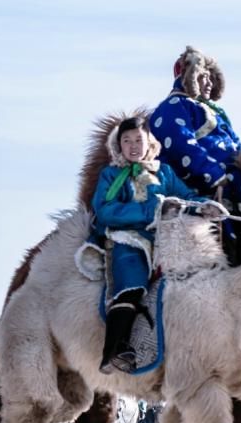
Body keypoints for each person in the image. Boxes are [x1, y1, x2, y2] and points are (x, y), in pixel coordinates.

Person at [90, 115, 224, 373]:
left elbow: (185, 197)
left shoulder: (163, 172)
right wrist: (152, 208)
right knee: (133, 282)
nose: (133, 146)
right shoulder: (112, 175)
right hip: (127, 239)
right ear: (118, 145)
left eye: (138, 140)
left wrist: (203, 208)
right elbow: (105, 210)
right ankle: (114, 349)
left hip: (165, 241)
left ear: (148, 142)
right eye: (126, 141)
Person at [150, 46, 241, 215]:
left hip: (233, 185)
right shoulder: (173, 106)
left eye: (211, 78)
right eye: (203, 77)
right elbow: (182, 146)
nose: (209, 83)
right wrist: (214, 175)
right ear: (189, 76)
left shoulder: (215, 112)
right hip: (200, 190)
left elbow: (235, 145)